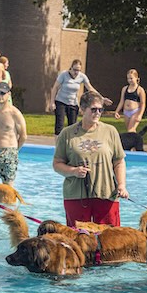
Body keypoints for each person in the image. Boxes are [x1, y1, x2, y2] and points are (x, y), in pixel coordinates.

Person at [53, 91, 128, 227]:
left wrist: (122, 185)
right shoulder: (67, 133)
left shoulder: (110, 131)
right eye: (93, 109)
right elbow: (57, 164)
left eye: (101, 109)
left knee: (110, 241)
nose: (98, 113)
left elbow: (119, 161)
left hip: (106, 194)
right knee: (78, 242)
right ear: (82, 110)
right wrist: (74, 171)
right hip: (76, 196)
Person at [49, 59, 112, 136]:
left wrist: (101, 98)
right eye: (75, 70)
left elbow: (90, 88)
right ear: (71, 68)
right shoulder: (63, 75)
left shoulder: (82, 76)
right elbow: (55, 88)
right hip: (61, 101)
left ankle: (70, 144)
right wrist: (52, 102)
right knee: (59, 124)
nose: (76, 72)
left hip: (73, 103)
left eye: (78, 70)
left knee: (72, 125)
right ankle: (57, 145)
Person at [0, 82, 27, 186]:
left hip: (9, 152)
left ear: (9, 94)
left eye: (2, 93)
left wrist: (13, 151)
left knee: (8, 189)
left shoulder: (15, 113)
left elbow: (23, 136)